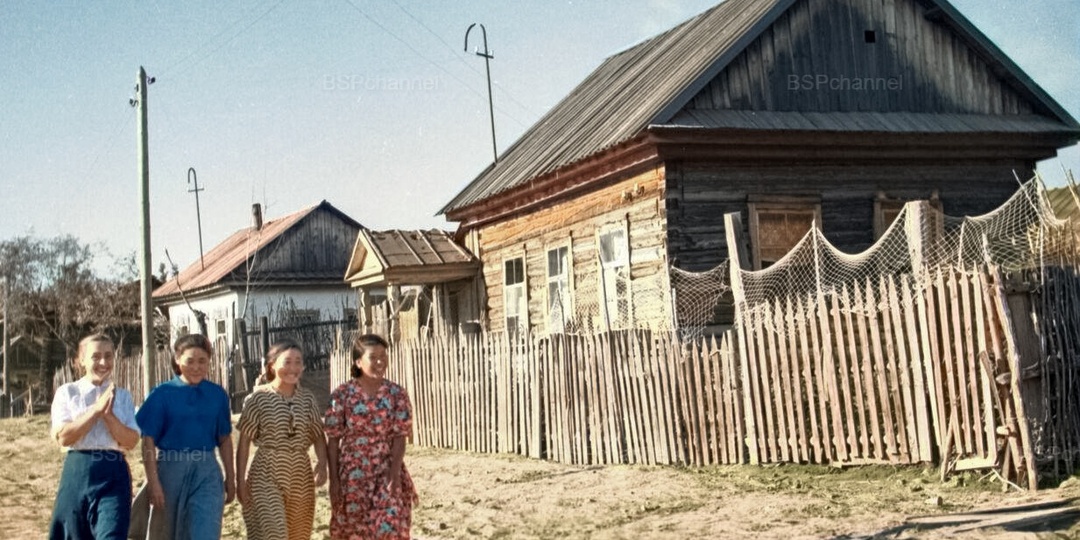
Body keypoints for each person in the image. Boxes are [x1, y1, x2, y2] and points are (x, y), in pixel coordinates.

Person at [135, 334, 235, 539]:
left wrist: (230, 478)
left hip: (207, 472)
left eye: (202, 361)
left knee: (205, 531)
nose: (196, 367)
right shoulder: (161, 394)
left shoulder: (217, 395)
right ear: (178, 360)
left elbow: (224, 439)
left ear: (209, 362)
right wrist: (153, 483)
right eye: (190, 361)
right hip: (170, 471)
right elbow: (148, 440)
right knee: (166, 532)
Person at [325, 333, 417, 540]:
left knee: (389, 527)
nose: (380, 362)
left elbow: (400, 436)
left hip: (386, 471)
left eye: (383, 357)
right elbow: (333, 441)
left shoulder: (396, 394)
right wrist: (334, 480)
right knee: (354, 531)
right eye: (373, 357)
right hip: (352, 475)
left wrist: (394, 473)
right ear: (358, 361)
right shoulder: (342, 395)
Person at [49, 333, 140, 539]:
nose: (103, 362)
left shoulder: (123, 397)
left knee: (112, 533)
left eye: (108, 356)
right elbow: (64, 437)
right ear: (81, 359)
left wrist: (108, 416)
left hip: (113, 472)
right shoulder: (68, 393)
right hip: (77, 472)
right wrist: (95, 411)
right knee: (74, 534)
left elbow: (131, 441)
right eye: (95, 356)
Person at [236, 339, 328, 540]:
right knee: (274, 533)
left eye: (298, 362)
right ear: (272, 365)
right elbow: (244, 442)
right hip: (266, 472)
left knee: (297, 535)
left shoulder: (307, 399)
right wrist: (240, 480)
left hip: (300, 474)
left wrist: (322, 463)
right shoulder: (258, 398)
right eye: (287, 362)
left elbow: (318, 434)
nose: (293, 368)